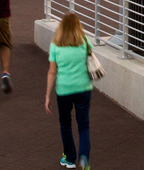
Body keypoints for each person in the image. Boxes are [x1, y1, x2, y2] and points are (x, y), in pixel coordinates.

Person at [47, 12, 96, 170]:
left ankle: (69, 158)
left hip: (64, 90)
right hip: (83, 88)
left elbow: (52, 72)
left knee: (65, 124)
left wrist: (47, 95)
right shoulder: (85, 41)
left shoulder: (55, 45)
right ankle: (84, 157)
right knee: (83, 125)